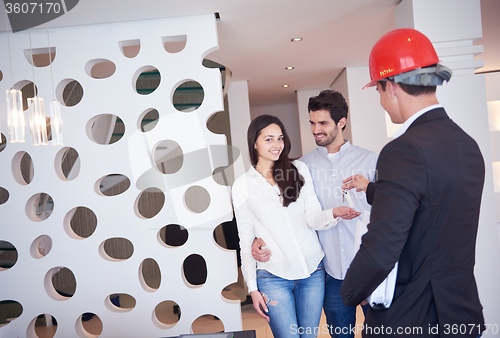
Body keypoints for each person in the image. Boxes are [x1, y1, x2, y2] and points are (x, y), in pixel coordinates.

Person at [340, 28, 485, 337]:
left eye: (378, 91)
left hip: (413, 319)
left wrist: (350, 292)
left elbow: (382, 247)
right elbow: (431, 206)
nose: (381, 100)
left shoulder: (403, 149)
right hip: (462, 315)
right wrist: (371, 189)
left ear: (390, 86)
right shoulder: (467, 145)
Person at [252, 90, 378, 338]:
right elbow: (279, 212)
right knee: (340, 334)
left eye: (323, 123)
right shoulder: (301, 166)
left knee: (382, 332)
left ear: (341, 122)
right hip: (329, 273)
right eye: (312, 122)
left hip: (368, 268)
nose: (315, 129)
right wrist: (254, 241)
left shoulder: (370, 159)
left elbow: (393, 207)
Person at [231, 114, 360, 338]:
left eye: (280, 138)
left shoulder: (298, 169)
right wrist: (252, 288)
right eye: (269, 139)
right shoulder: (242, 186)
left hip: (312, 272)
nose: (277, 145)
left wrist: (334, 213)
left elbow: (311, 217)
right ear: (255, 142)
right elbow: (245, 239)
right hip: (273, 277)